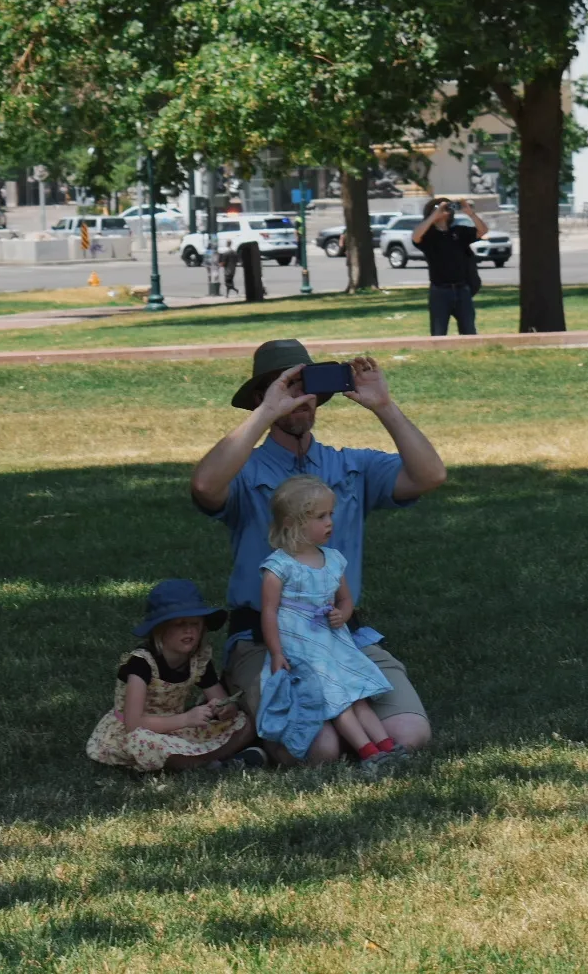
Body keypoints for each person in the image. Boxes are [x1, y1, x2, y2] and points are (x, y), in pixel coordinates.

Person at [190, 339, 447, 764]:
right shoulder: (244, 469)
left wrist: (384, 405)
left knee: (410, 732)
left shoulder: (351, 465)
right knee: (319, 748)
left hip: (340, 634)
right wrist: (266, 414)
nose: (300, 398)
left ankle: (266, 737)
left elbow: (430, 474)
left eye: (305, 386)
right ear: (261, 396)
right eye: (285, 387)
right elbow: (204, 486)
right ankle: (267, 735)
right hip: (263, 637)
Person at [259, 475, 403, 768]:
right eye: (320, 516)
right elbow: (269, 612)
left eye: (330, 515)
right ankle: (369, 753)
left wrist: (343, 615)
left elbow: (345, 600)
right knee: (336, 703)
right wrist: (276, 653)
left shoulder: (333, 560)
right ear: (292, 523)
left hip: (332, 645)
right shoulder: (279, 567)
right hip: (301, 649)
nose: (329, 522)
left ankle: (388, 745)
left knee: (356, 697)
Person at [86, 579, 263, 773]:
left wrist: (223, 709)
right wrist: (186, 719)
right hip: (140, 730)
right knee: (144, 742)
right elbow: (133, 723)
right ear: (160, 630)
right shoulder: (141, 663)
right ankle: (209, 764)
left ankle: (207, 760)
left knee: (244, 722)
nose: (189, 630)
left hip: (176, 727)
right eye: (179, 624)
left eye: (195, 624)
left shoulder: (198, 660)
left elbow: (221, 700)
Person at [411, 197, 486, 336]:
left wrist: (471, 214)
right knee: (438, 333)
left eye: (447, 208)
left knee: (469, 331)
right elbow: (415, 237)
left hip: (462, 289)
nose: (445, 210)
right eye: (441, 208)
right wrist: (435, 214)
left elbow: (482, 231)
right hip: (439, 291)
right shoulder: (428, 235)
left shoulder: (458, 231)